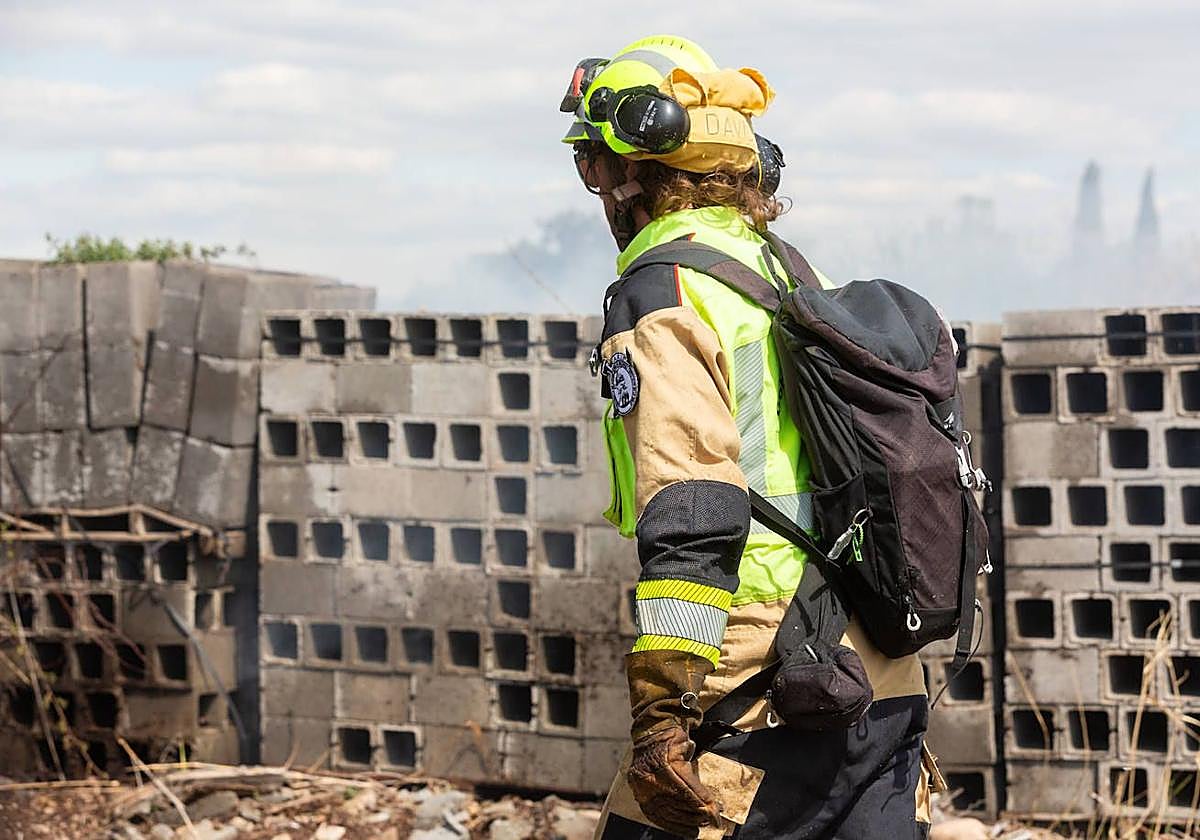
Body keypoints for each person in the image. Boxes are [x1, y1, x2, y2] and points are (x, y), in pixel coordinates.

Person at [561, 36, 933, 839]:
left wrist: (664, 715)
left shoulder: (666, 293)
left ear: (636, 168)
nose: (594, 186)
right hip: (882, 670)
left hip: (763, 686)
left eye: (592, 163)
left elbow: (695, 509)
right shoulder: (794, 275)